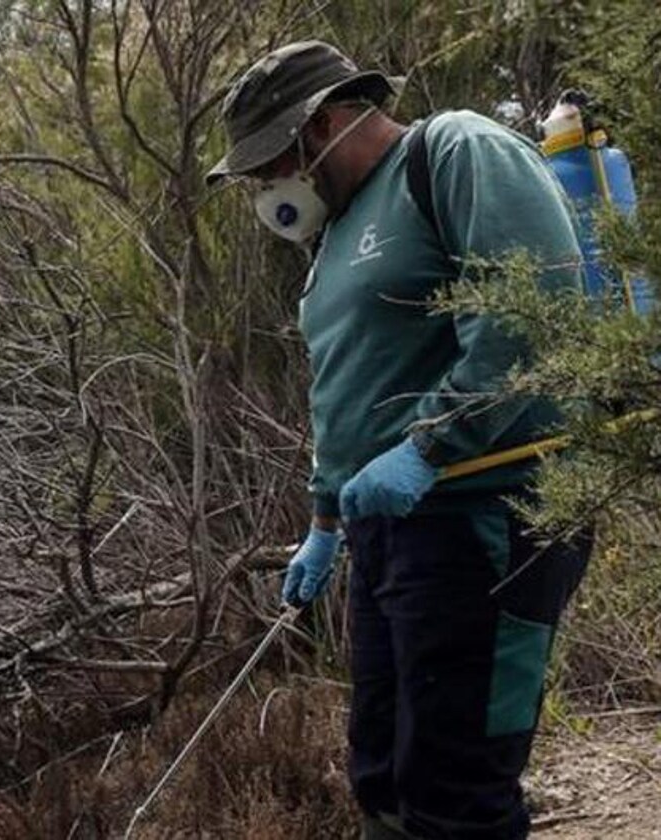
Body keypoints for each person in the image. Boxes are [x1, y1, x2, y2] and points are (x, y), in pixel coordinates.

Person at [206, 41, 592, 839]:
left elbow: (532, 317)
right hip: (392, 534)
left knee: (457, 786)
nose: (261, 184)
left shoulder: (455, 150)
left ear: (325, 125)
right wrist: (322, 525)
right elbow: (345, 389)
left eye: (268, 161)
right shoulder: (337, 234)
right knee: (382, 773)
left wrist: (429, 447)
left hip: (487, 515)